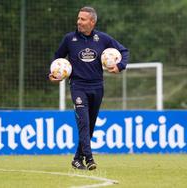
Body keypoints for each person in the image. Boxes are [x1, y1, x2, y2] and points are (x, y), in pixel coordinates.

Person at [49, 6, 129, 170]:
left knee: (90, 125)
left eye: (83, 19)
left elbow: (123, 51)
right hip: (78, 86)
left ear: (92, 22)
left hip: (97, 87)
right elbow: (57, 57)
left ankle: (77, 159)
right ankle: (90, 159)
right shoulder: (69, 39)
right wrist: (53, 73)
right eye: (78, 18)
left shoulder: (103, 39)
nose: (79, 22)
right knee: (84, 122)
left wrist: (120, 66)